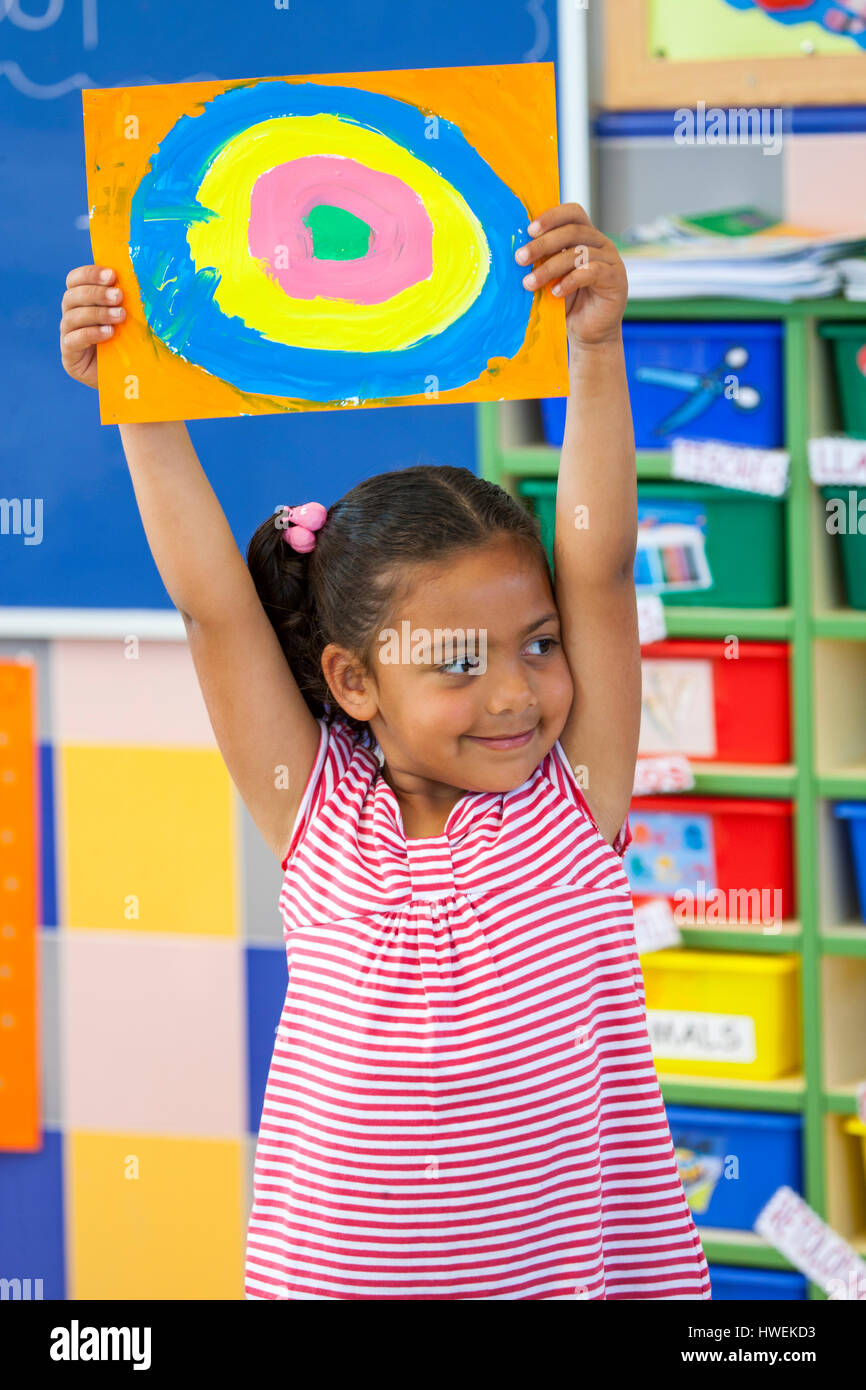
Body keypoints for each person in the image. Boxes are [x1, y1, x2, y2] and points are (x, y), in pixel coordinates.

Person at [60, 202, 711, 1300]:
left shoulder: (572, 798)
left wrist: (592, 349)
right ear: (354, 681)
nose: (515, 692)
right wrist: (138, 396)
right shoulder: (311, 810)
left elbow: (596, 565)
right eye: (458, 662)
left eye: (538, 645)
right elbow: (216, 608)